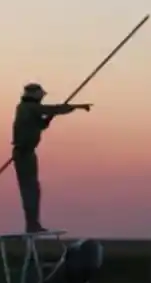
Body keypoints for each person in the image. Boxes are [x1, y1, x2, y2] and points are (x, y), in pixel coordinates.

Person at [11, 83, 92, 233]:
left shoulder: (30, 109)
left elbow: (41, 124)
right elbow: (53, 109)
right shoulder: (27, 107)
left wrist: (49, 117)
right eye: (40, 94)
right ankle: (32, 225)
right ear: (34, 94)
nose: (42, 97)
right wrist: (77, 107)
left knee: (33, 189)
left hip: (28, 153)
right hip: (23, 153)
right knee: (30, 190)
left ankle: (33, 224)